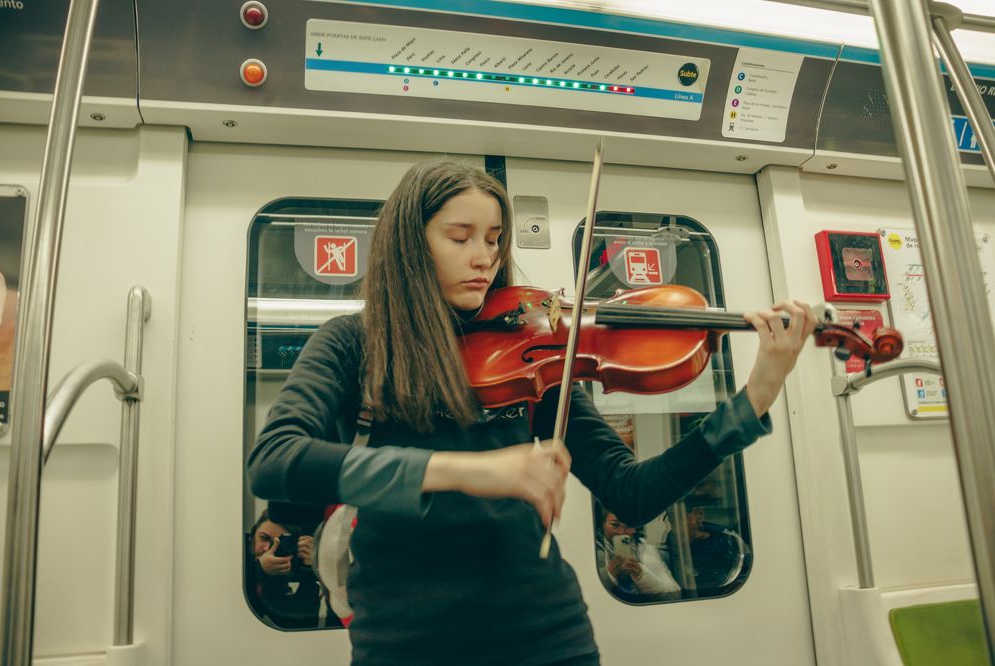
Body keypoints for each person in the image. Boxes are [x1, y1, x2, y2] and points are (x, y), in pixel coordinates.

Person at [248, 160, 815, 666]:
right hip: (407, 642)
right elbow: (275, 461)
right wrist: (465, 470)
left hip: (547, 635)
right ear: (410, 243)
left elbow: (633, 490)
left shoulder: (535, 348)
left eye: (494, 239)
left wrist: (756, 397)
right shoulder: (354, 344)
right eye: (460, 236)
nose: (484, 258)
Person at [245, 509, 321, 629]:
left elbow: (301, 625)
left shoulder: (281, 576)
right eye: (264, 538)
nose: (267, 549)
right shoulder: (234, 557)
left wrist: (308, 571)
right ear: (251, 537)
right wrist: (259, 570)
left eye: (279, 544)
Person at [596, 509, 680, 599]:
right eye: (615, 525)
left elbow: (674, 595)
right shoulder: (593, 551)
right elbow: (589, 595)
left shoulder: (647, 551)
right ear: (603, 524)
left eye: (629, 526)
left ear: (635, 528)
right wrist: (609, 574)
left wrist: (641, 575)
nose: (621, 532)